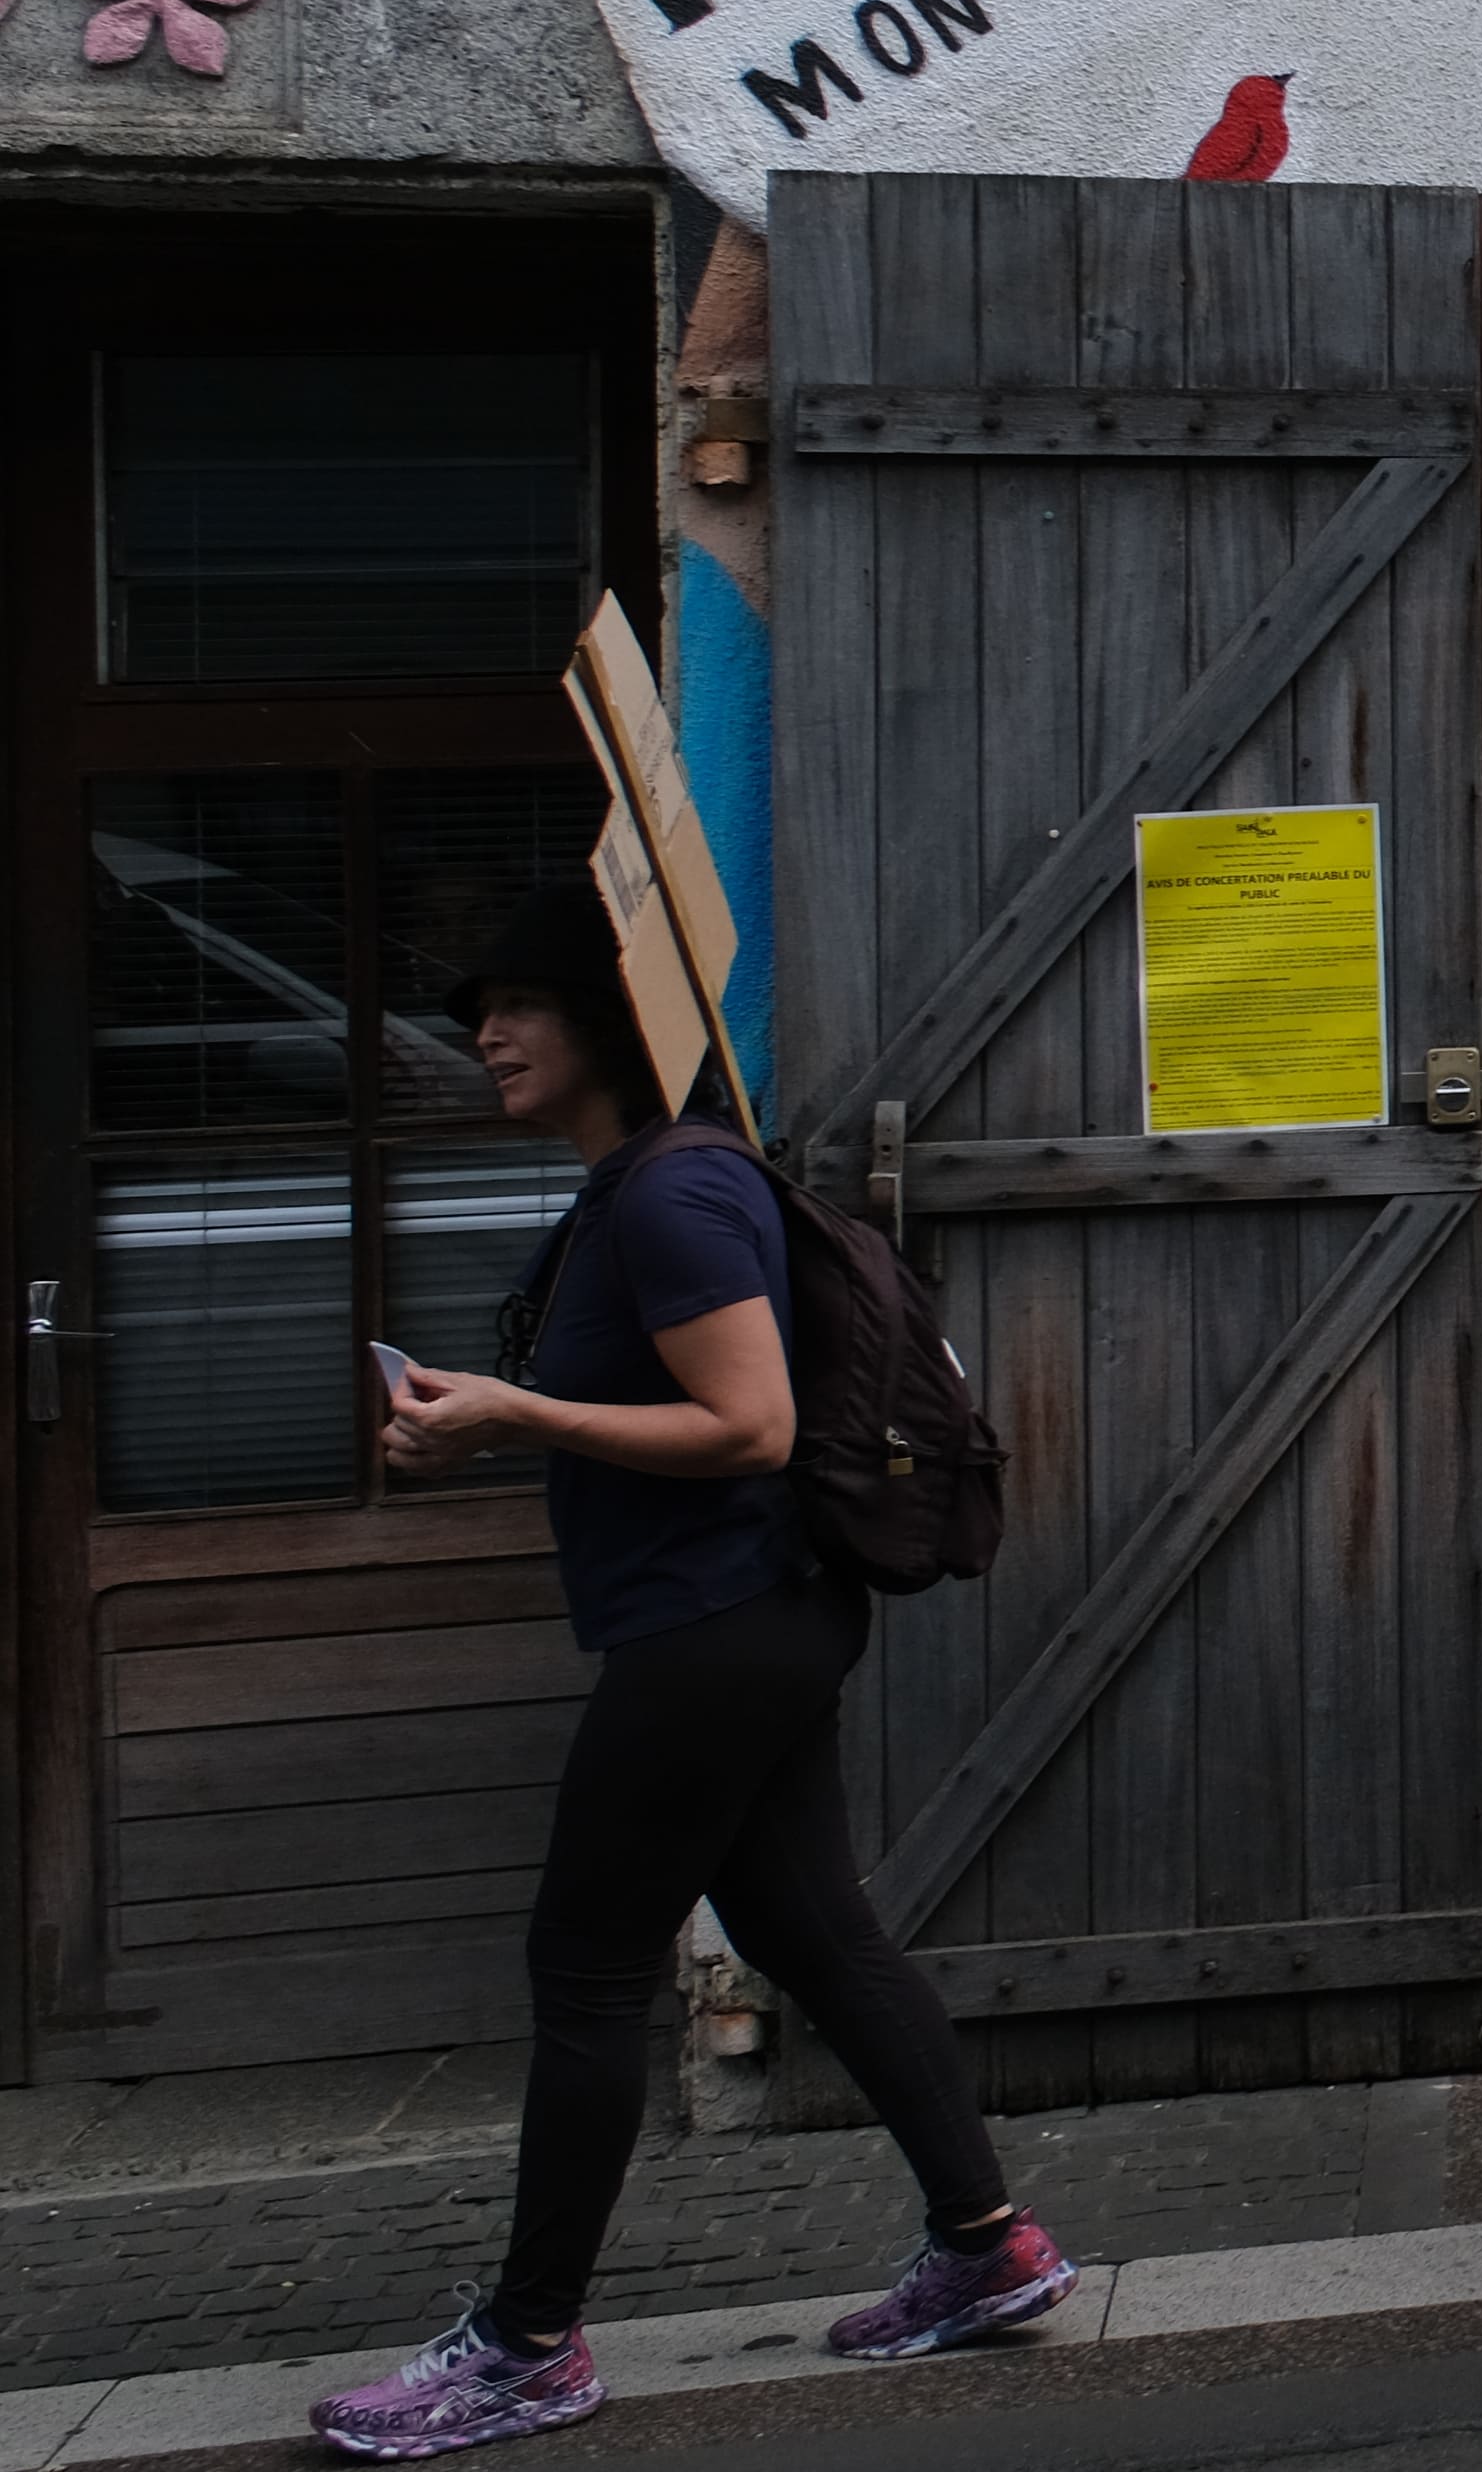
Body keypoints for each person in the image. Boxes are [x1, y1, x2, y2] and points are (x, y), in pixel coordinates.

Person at [311, 884, 1069, 2460]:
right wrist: (483, 1416)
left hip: (712, 1632)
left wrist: (514, 1418)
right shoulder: (641, 1189)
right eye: (478, 1016)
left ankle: (526, 2348)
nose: (489, 1037)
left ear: (608, 1023)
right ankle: (985, 2246)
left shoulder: (670, 1198)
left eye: (517, 1006)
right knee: (819, 1933)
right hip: (743, 1619)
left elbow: (752, 1427)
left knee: (585, 1974)